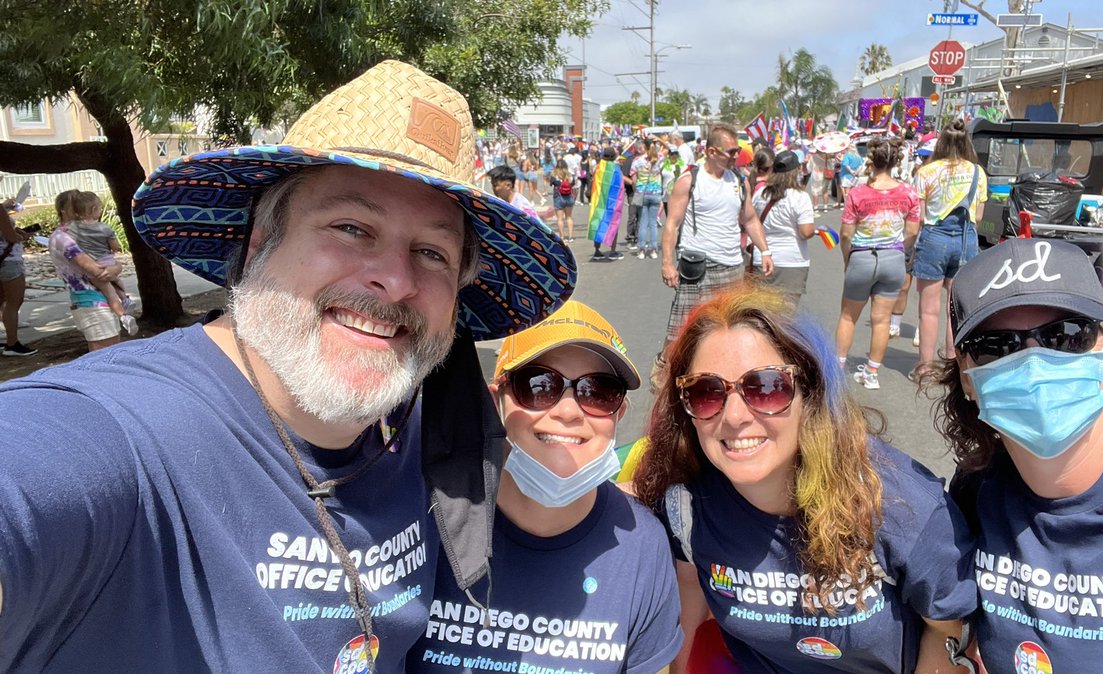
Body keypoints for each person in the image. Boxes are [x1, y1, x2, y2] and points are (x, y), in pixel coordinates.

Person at [0, 60, 577, 672]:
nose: (396, 280)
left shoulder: (423, 434)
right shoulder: (122, 430)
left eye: (432, 253)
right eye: (351, 228)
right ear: (259, 243)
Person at [634, 287, 978, 673]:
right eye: (706, 393)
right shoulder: (688, 507)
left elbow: (949, 630)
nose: (734, 416)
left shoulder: (899, 505)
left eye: (765, 387)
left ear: (810, 395)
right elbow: (690, 598)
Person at [928, 238, 1103, 673]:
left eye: (1067, 335)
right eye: (997, 345)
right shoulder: (974, 492)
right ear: (966, 375)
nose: (1034, 363)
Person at [409, 301, 683, 673]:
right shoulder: (428, 514)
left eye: (598, 391)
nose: (568, 411)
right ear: (496, 401)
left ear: (618, 414)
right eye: (538, 385)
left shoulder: (643, 547)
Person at [660, 123, 773, 371]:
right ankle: (664, 376)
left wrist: (765, 251)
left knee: (730, 328)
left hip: (733, 268)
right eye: (731, 152)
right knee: (681, 331)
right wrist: (667, 263)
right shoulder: (689, 181)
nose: (736, 156)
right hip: (699, 268)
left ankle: (720, 374)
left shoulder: (740, 181)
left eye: (737, 151)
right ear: (712, 152)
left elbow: (750, 219)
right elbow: (672, 224)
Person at [836, 137, 921, 390]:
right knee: (882, 320)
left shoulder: (857, 193)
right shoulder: (908, 193)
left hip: (862, 256)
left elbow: (846, 234)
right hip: (893, 258)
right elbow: (912, 231)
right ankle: (872, 373)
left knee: (848, 317)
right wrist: (899, 250)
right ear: (895, 161)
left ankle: (837, 369)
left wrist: (847, 258)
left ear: (871, 160)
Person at [911, 119, 987, 379]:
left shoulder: (927, 172)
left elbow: (920, 216)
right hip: (966, 239)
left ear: (941, 143)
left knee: (928, 309)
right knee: (954, 309)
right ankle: (951, 367)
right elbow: (978, 215)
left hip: (934, 238)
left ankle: (925, 367)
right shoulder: (977, 172)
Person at [62, 190, 140, 336]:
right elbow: (115, 247)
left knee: (109, 292)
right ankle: (124, 301)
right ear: (94, 209)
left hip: (92, 264)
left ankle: (124, 316)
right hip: (108, 261)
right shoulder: (105, 228)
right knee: (115, 281)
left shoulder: (72, 228)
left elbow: (68, 243)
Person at [749, 150, 814, 297]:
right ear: (797, 170)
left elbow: (751, 222)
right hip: (791, 261)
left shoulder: (761, 193)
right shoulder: (800, 197)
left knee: (761, 308)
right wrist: (815, 231)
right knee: (787, 309)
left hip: (763, 257)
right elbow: (805, 232)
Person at [0, 196, 36, 357]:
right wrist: (23, 236)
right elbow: (11, 237)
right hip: (8, 260)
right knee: (13, 303)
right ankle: (12, 343)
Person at [632, 141, 665, 260]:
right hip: (655, 192)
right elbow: (669, 148)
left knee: (642, 223)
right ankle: (653, 250)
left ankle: (641, 250)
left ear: (644, 147)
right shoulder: (659, 158)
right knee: (653, 224)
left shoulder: (637, 161)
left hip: (642, 193)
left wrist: (637, 190)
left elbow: (634, 179)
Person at [548, 159, 577, 243]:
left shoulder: (554, 175)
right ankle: (571, 237)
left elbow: (551, 183)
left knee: (560, 219)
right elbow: (573, 184)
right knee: (569, 217)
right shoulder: (569, 175)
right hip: (569, 197)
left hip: (558, 197)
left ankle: (562, 237)